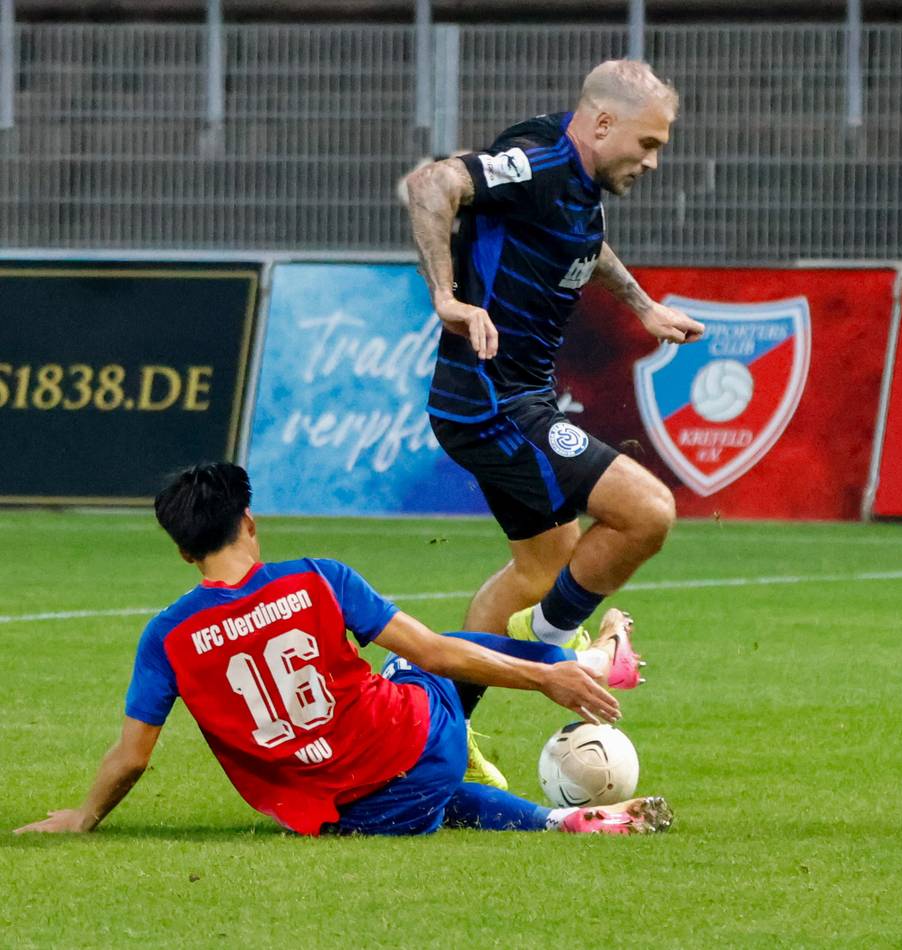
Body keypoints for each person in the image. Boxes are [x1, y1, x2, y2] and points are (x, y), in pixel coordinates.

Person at [14, 462, 672, 839]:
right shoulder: (315, 577)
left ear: (185, 551)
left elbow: (132, 757)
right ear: (249, 521)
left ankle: (561, 821)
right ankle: (582, 665)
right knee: (417, 662)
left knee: (423, 793)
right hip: (417, 750)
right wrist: (545, 678)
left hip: (345, 814)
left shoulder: (168, 635)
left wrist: (84, 816)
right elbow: (440, 654)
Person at [404, 60, 705, 787]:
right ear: (602, 124)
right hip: (493, 401)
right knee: (647, 512)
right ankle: (556, 644)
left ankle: (444, 734)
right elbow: (429, 183)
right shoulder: (540, 163)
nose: (653, 161)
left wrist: (641, 306)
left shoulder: (573, 182)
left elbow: (581, 243)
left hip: (510, 398)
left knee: (538, 571)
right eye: (648, 143)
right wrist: (446, 296)